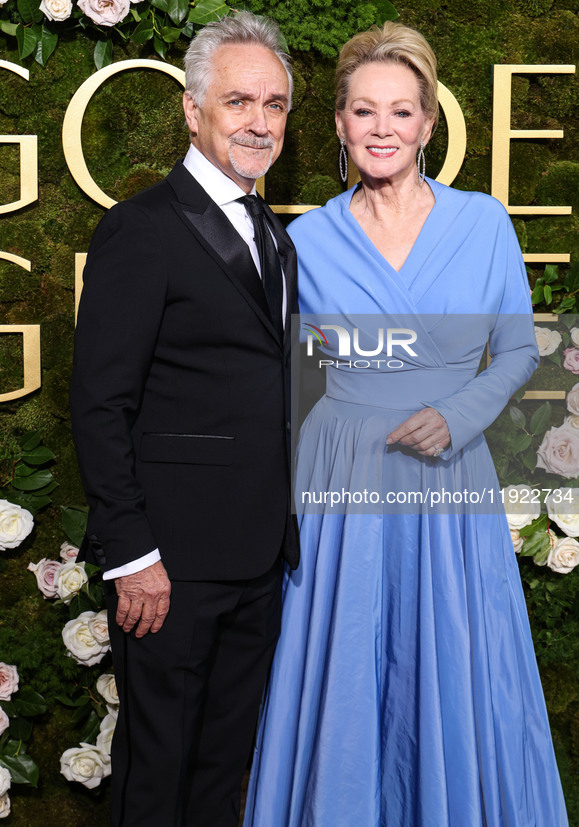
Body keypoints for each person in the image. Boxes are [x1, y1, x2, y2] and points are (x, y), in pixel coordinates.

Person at [244, 22, 568, 827]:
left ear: (428, 123)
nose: (380, 129)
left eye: (399, 112)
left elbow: (520, 348)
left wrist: (457, 415)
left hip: (445, 472)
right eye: (362, 111)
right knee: (345, 661)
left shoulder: (483, 223)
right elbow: (280, 376)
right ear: (339, 126)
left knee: (449, 665)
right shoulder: (304, 238)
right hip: (339, 480)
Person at [69, 11, 299, 827]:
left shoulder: (275, 235)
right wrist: (133, 553)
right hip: (168, 567)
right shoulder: (141, 229)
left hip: (259, 555)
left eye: (274, 105)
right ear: (192, 109)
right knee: (157, 769)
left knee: (221, 768)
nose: (258, 122)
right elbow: (100, 402)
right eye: (239, 101)